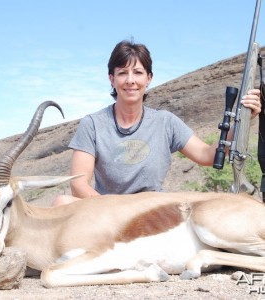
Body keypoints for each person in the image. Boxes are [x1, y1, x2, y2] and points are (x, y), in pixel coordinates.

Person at [53, 40, 261, 204]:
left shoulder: (165, 122)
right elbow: (79, 185)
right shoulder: (92, 124)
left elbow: (207, 155)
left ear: (149, 78)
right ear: (112, 79)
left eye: (138, 72)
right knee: (61, 202)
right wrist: (115, 211)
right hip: (106, 213)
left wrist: (243, 121)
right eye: (122, 73)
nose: (130, 80)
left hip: (152, 212)